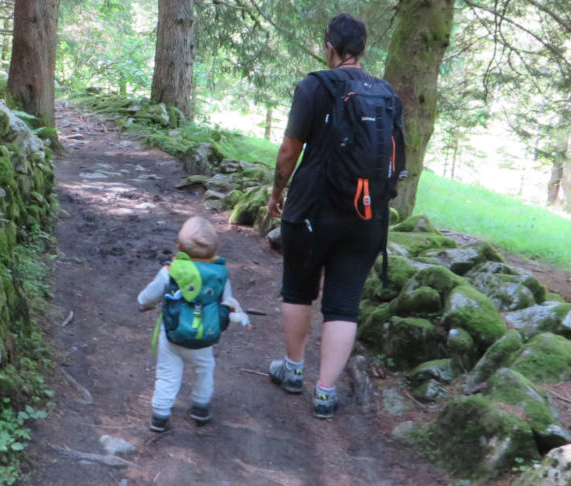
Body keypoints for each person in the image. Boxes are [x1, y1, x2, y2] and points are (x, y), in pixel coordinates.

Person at [265, 13, 406, 419]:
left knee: (298, 288)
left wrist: (277, 191)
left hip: (312, 209)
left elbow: (290, 150)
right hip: (366, 215)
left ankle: (293, 372)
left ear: (329, 45)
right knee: (344, 305)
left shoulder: (314, 85)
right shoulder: (386, 95)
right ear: (362, 49)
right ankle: (325, 393)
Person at [137, 216, 250, 432]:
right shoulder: (220, 275)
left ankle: (160, 415)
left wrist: (143, 303)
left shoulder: (171, 270)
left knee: (167, 373)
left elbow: (150, 295)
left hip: (172, 333)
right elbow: (227, 301)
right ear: (215, 251)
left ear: (178, 247)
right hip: (204, 335)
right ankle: (200, 406)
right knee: (205, 368)